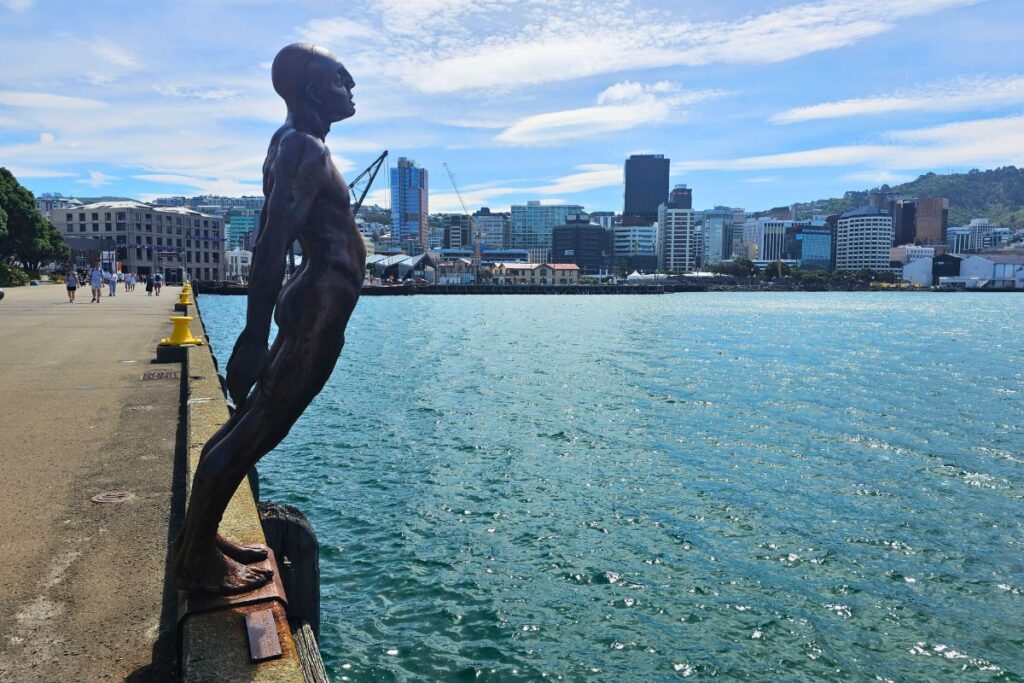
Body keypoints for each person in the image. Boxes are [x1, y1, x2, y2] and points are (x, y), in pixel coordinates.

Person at [173, 43, 364, 595]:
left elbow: (271, 236)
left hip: (313, 299)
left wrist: (259, 329)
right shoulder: (304, 149)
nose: (350, 86)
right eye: (338, 78)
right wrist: (254, 337)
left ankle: (198, 540)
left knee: (249, 421)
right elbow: (272, 240)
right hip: (320, 304)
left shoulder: (289, 144)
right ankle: (198, 565)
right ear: (310, 89)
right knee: (262, 427)